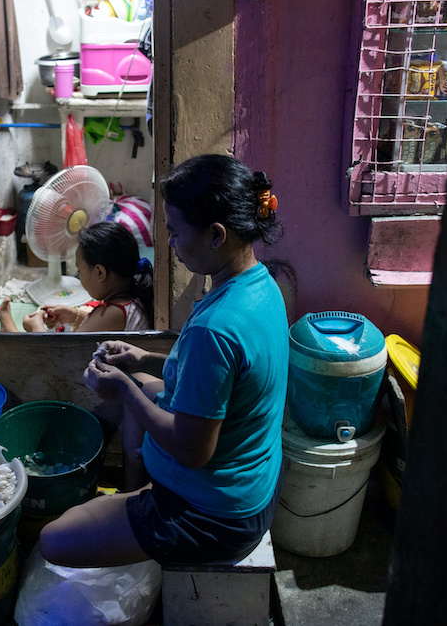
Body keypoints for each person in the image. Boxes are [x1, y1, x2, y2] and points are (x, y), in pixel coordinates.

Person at [38, 154, 287, 569]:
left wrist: (121, 387)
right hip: (252, 486)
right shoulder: (261, 286)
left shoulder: (217, 326)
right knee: (141, 383)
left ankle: (147, 505)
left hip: (216, 517)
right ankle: (139, 498)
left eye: (174, 233)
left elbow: (193, 451)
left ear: (216, 235)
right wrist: (143, 359)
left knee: (53, 541)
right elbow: (213, 374)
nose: (169, 245)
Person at [0, 221, 153, 332]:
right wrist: (74, 315)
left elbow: (62, 355)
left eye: (80, 271)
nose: (79, 276)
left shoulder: (113, 313)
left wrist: (35, 327)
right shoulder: (131, 294)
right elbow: (99, 325)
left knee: (30, 351)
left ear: (100, 272)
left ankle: (9, 331)